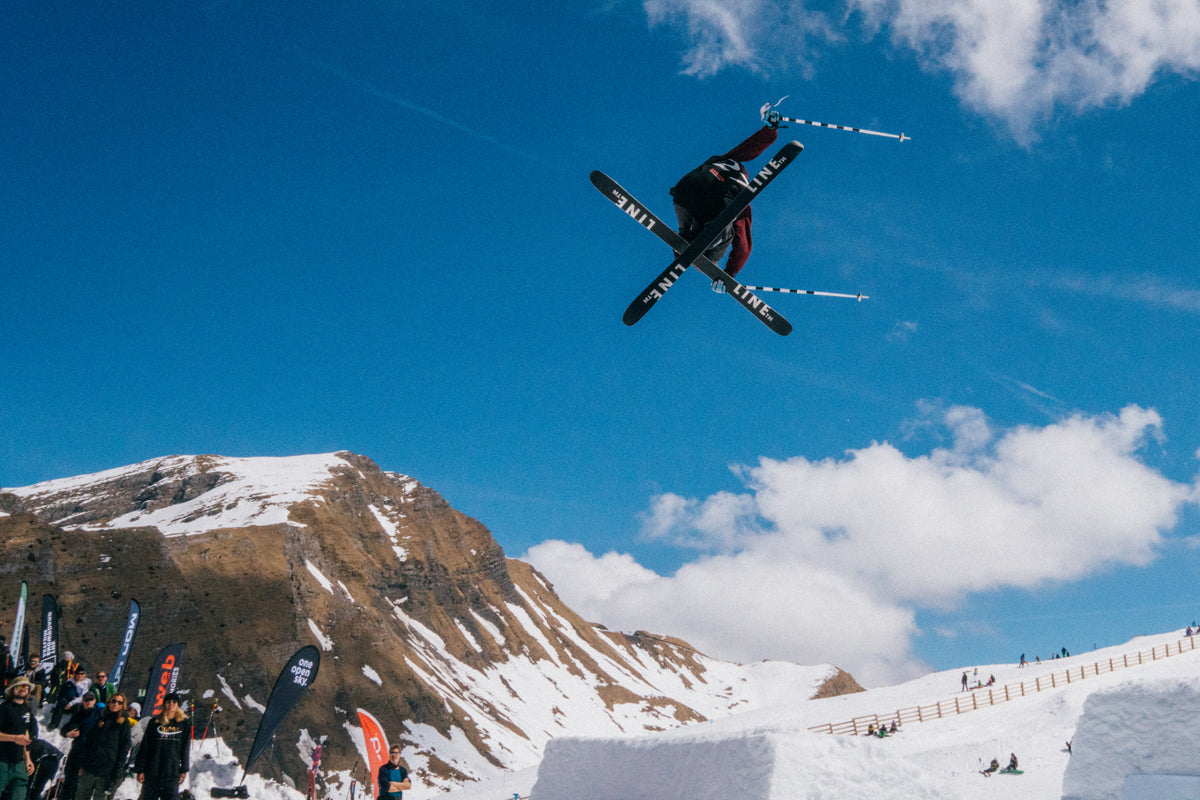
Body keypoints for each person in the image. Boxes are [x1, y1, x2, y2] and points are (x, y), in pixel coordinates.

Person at [668, 118, 782, 291]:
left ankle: (685, 235)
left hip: (684, 191)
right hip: (715, 207)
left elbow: (753, 145)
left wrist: (771, 130)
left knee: (694, 219)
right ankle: (701, 250)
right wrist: (728, 275)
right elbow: (743, 245)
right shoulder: (742, 197)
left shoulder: (726, 159)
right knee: (719, 231)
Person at [76, 693, 132, 800]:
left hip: (107, 771)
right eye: (113, 701)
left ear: (122, 705)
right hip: (90, 767)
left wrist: (117, 771)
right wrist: (82, 764)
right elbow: (89, 743)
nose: (115, 704)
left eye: (119, 702)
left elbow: (124, 748)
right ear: (109, 703)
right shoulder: (101, 719)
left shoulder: (124, 723)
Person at [134, 693, 190, 800]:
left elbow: (185, 748)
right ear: (164, 704)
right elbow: (145, 746)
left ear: (178, 705)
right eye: (168, 702)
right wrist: (140, 769)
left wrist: (184, 769)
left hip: (171, 772)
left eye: (174, 702)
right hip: (152, 771)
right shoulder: (154, 722)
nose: (171, 704)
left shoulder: (184, 723)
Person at [0, 677, 38, 800]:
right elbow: (18, 737)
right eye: (20, 687)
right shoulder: (4, 708)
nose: (23, 690)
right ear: (12, 690)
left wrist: (28, 759)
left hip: (19, 762)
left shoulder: (27, 709)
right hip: (2, 761)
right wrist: (14, 738)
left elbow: (26, 736)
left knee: (19, 795)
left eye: (26, 687)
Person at [61, 693, 101, 800]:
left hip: (88, 754)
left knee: (81, 785)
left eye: (91, 700)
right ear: (82, 701)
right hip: (76, 751)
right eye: (86, 700)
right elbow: (64, 729)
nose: (88, 702)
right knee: (69, 780)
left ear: (94, 701)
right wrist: (67, 734)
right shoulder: (78, 715)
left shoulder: (98, 716)